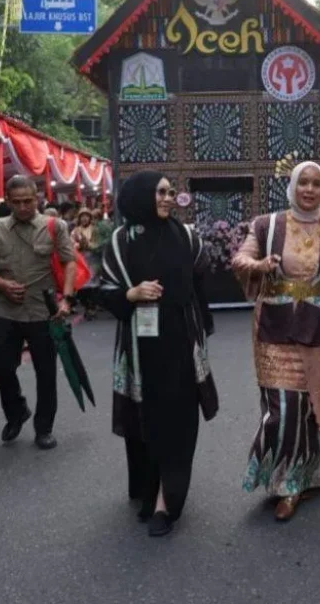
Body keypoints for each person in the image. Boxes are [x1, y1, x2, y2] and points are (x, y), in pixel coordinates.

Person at [232, 161, 320, 523]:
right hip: (275, 328)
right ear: (292, 186)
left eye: (316, 183)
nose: (309, 189)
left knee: (313, 404)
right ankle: (287, 482)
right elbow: (241, 256)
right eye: (302, 182)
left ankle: (314, 472)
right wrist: (256, 266)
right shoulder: (267, 225)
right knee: (283, 408)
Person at [97, 171, 218, 537]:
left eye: (170, 192)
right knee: (144, 423)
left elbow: (200, 277)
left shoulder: (186, 236)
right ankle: (148, 492)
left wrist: (200, 324)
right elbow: (105, 290)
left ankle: (169, 502)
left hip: (180, 346)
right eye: (161, 192)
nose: (168, 198)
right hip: (139, 350)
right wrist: (131, 295)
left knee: (179, 423)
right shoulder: (121, 241)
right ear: (141, 196)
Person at [0, 175, 76, 451]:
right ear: (7, 201)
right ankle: (16, 411)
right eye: (17, 202)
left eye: (29, 201)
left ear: (38, 198)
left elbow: (69, 263)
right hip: (6, 311)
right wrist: (0, 283)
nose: (23, 207)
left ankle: (44, 428)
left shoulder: (54, 226)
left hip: (43, 312)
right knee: (0, 366)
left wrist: (66, 300)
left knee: (46, 374)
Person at [71, 210, 101, 320]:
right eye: (82, 217)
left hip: (93, 260)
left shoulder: (95, 230)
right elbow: (71, 243)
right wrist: (77, 245)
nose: (84, 219)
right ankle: (87, 306)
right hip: (81, 259)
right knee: (82, 285)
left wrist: (88, 245)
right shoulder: (76, 230)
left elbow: (99, 244)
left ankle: (92, 307)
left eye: (86, 216)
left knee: (93, 284)